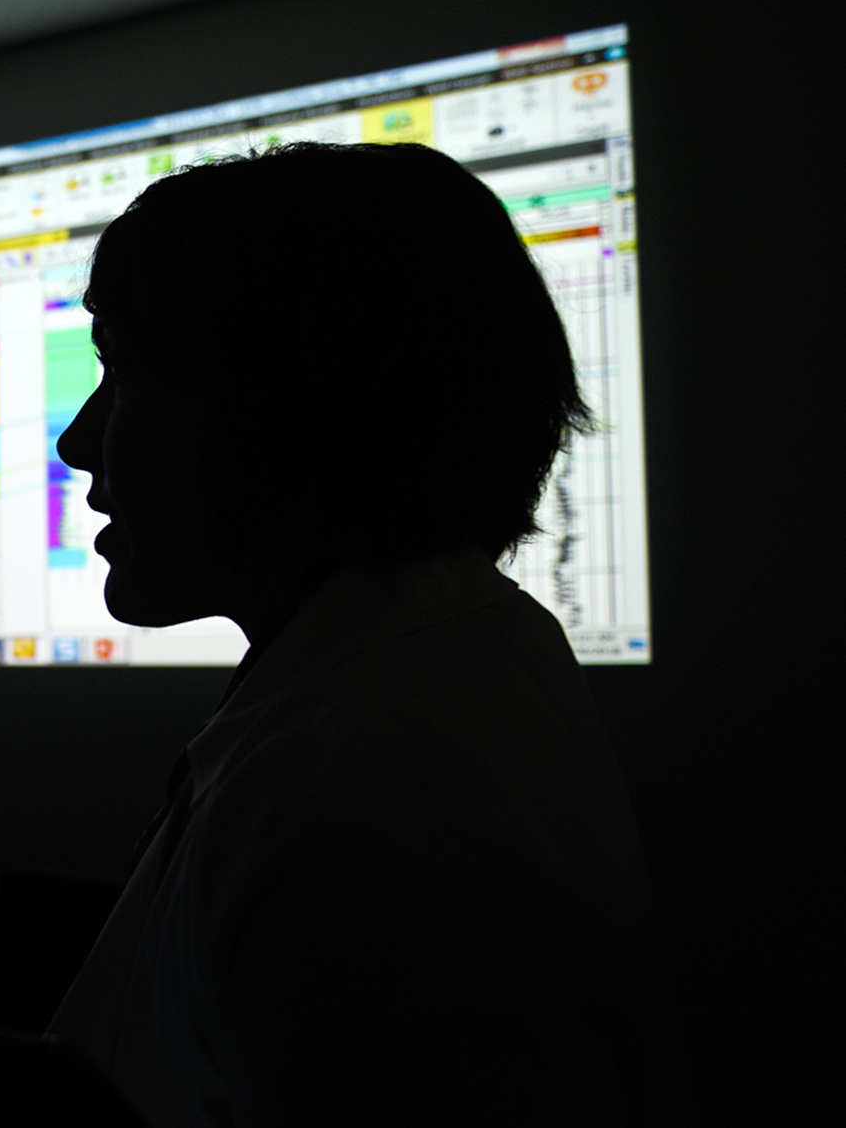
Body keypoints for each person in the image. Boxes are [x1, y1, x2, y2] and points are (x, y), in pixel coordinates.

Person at [49, 142, 684, 1125]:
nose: (77, 441)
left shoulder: (368, 772)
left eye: (128, 372)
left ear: (304, 399)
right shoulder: (437, 652)